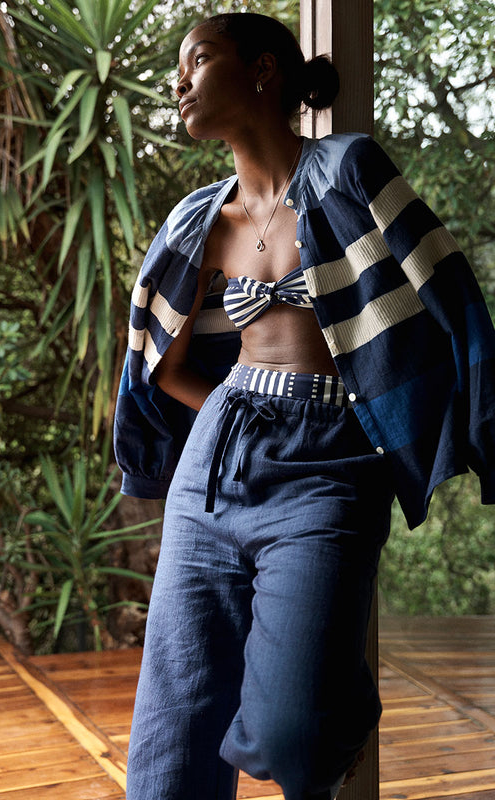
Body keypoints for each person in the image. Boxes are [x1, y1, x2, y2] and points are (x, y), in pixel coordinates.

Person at [113, 12, 495, 800]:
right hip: (217, 459)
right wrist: (230, 408)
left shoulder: (350, 167)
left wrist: (470, 421)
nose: (178, 81)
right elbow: (160, 362)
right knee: (173, 729)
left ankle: (333, 713)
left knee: (293, 731)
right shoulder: (198, 217)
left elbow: (447, 286)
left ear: (262, 71)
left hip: (332, 461)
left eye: (198, 60)